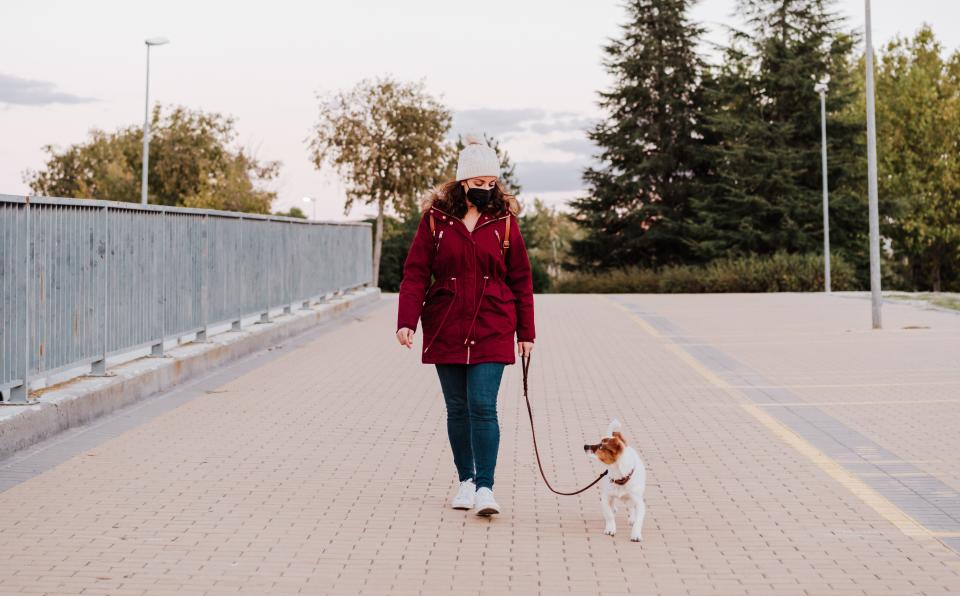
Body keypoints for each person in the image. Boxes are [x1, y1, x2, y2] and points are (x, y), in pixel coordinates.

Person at [395, 134, 536, 516]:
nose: (487, 191)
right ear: (462, 184)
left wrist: (527, 333)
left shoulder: (505, 223)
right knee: (457, 408)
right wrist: (406, 321)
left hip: (493, 322)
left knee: (482, 405)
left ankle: (486, 488)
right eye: (479, 184)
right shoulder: (436, 221)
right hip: (447, 323)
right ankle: (466, 481)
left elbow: (521, 279)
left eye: (492, 184)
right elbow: (415, 274)